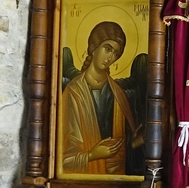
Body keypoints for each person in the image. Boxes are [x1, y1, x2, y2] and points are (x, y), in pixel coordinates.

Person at [59, 20, 141, 175]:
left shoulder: (118, 95)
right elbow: (62, 157)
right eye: (107, 49)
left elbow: (125, 147)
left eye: (115, 53)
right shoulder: (73, 92)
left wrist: (139, 141)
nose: (110, 57)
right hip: (85, 177)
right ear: (94, 48)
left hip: (118, 178)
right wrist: (92, 155)